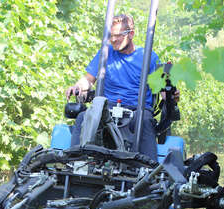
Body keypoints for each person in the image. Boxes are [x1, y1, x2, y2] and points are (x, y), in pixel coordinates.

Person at [65, 14, 162, 160]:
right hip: (107, 107)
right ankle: (75, 163)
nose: (114, 39)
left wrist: (171, 94)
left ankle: (150, 170)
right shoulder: (106, 53)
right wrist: (78, 86)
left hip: (137, 109)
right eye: (111, 35)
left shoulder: (149, 57)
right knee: (84, 117)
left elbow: (163, 87)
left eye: (118, 35)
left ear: (131, 34)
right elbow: (88, 79)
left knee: (145, 121)